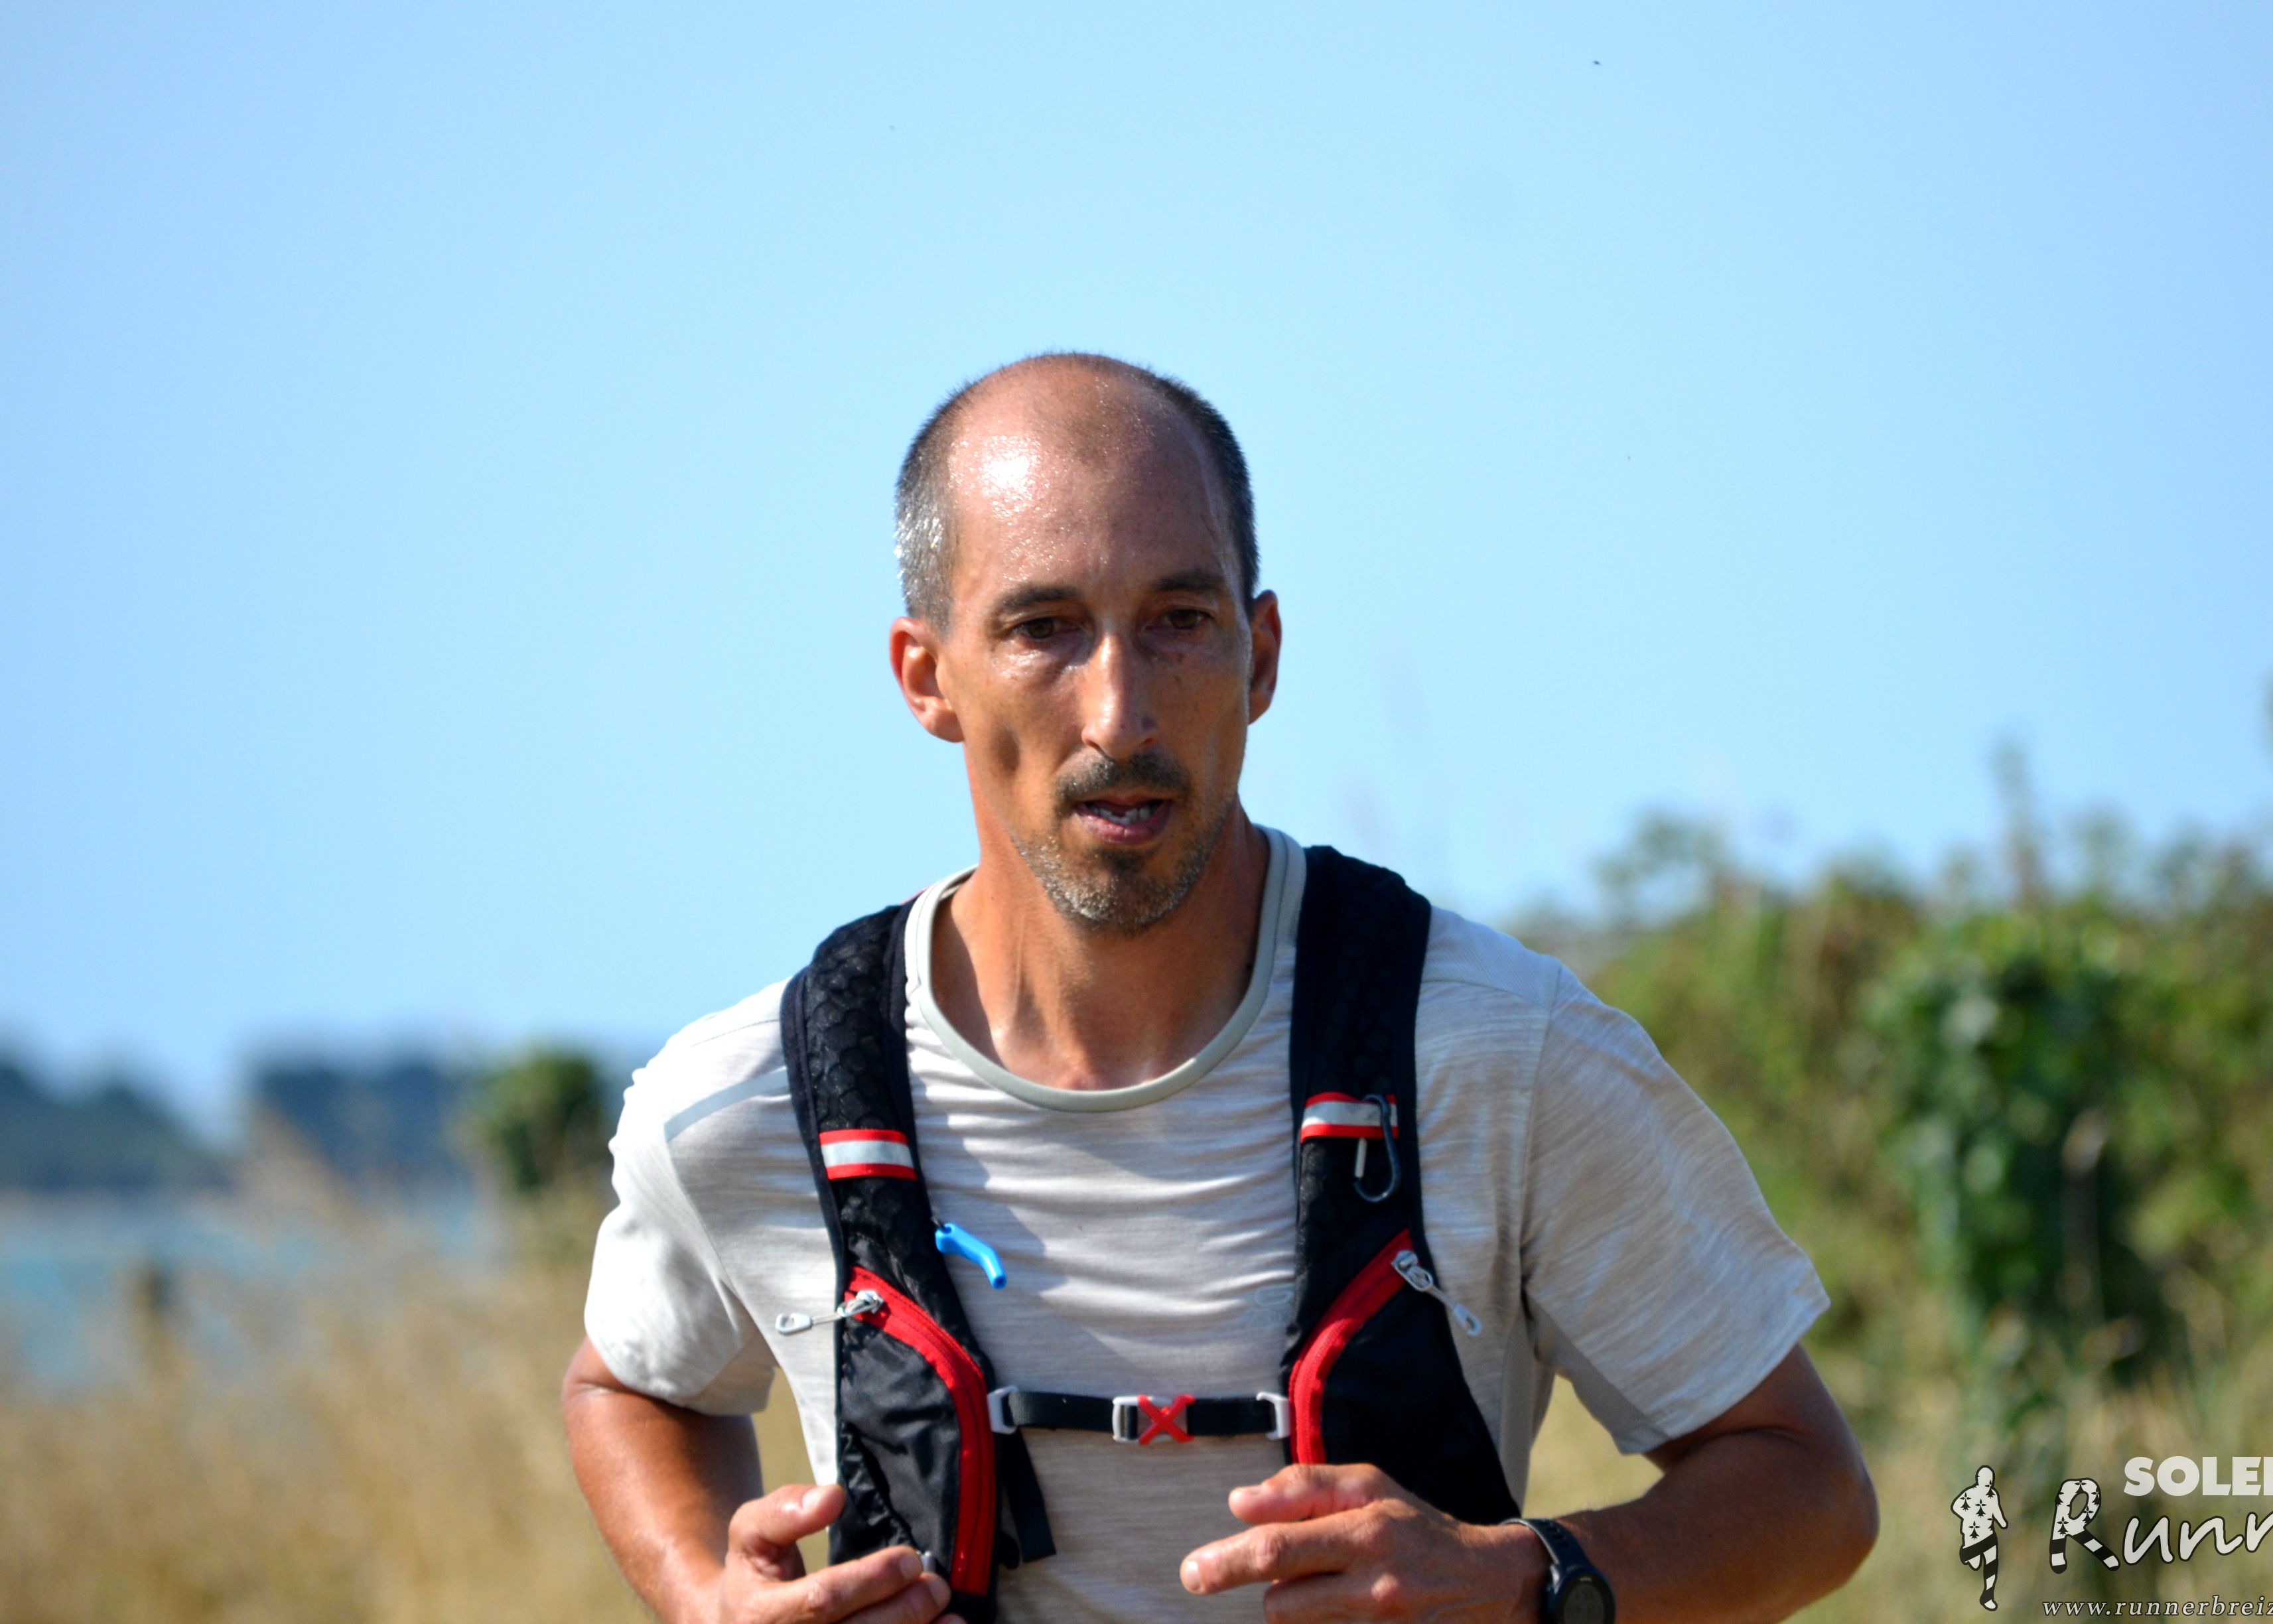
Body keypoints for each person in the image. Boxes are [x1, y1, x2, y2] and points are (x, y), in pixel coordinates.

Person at [561, 352, 1879, 1624]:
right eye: (1042, 629)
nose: (1119, 714)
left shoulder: (1499, 1055)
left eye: (1179, 622)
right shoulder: (748, 1100)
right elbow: (628, 1388)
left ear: (1261, 655)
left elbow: (1811, 1490)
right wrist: (707, 1596)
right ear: (927, 676)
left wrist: (1522, 1583)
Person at [1952, 1465, 2009, 1611]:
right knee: (1975, 1563)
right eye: (1986, 1480)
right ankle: (1966, 1554)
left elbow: (1997, 1511)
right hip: (1973, 1534)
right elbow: (1956, 1507)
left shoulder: (1993, 1495)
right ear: (1979, 1480)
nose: (1989, 1483)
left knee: (1992, 1563)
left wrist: (2003, 1523)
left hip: (1989, 1534)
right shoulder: (1970, 1493)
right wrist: (1968, 1516)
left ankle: (1988, 1596)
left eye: (1990, 1480)